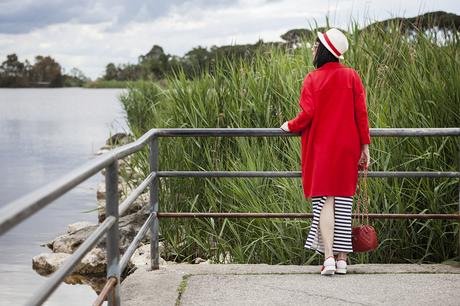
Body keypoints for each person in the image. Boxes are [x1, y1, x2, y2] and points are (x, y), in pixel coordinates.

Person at [280, 28, 371, 276]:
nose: (312, 48)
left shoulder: (312, 79)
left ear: (323, 50)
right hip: (347, 148)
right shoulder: (352, 77)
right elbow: (361, 115)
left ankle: (329, 257)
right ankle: (342, 260)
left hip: (322, 149)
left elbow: (306, 115)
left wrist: (289, 125)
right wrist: (365, 146)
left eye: (315, 44)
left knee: (325, 201)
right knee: (344, 199)